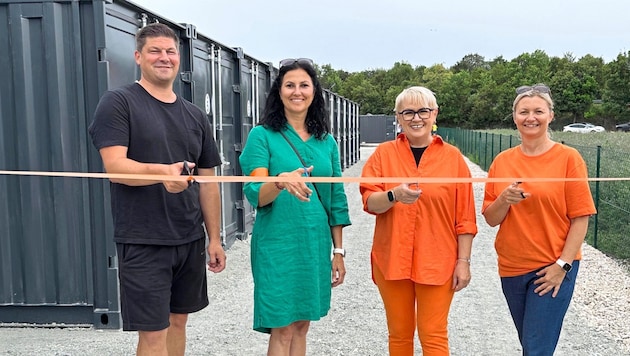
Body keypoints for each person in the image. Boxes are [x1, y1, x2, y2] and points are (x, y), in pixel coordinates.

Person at [88, 23, 226, 355]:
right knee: (153, 333)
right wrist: (161, 172)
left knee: (178, 323)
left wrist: (214, 238)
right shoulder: (119, 103)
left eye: (170, 51)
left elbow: (208, 182)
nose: (164, 58)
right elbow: (116, 168)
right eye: (155, 51)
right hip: (143, 239)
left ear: (179, 58)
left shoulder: (195, 116)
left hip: (189, 237)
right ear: (138, 56)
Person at [238, 58, 351, 356]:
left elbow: (335, 199)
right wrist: (279, 182)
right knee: (282, 326)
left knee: (302, 324)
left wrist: (338, 252)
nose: (296, 91)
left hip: (314, 242)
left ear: (314, 92)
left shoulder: (327, 142)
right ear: (279, 91)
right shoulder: (261, 136)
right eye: (289, 85)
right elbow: (254, 193)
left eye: (304, 85)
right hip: (277, 242)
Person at [359, 86, 477, 356]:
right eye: (408, 112)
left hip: (438, 261)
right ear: (398, 118)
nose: (416, 118)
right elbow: (369, 201)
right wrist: (393, 195)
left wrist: (463, 262)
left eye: (423, 111)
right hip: (392, 260)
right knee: (399, 335)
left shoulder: (453, 159)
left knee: (433, 335)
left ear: (434, 114)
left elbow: (465, 217)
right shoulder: (383, 154)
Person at [482, 84, 596, 355]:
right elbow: (490, 219)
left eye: (538, 111)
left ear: (550, 116)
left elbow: (581, 218)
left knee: (536, 349)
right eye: (524, 111)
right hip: (512, 267)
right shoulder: (502, 161)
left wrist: (562, 266)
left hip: (552, 266)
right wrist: (504, 200)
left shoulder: (569, 159)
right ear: (514, 117)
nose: (530, 117)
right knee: (531, 345)